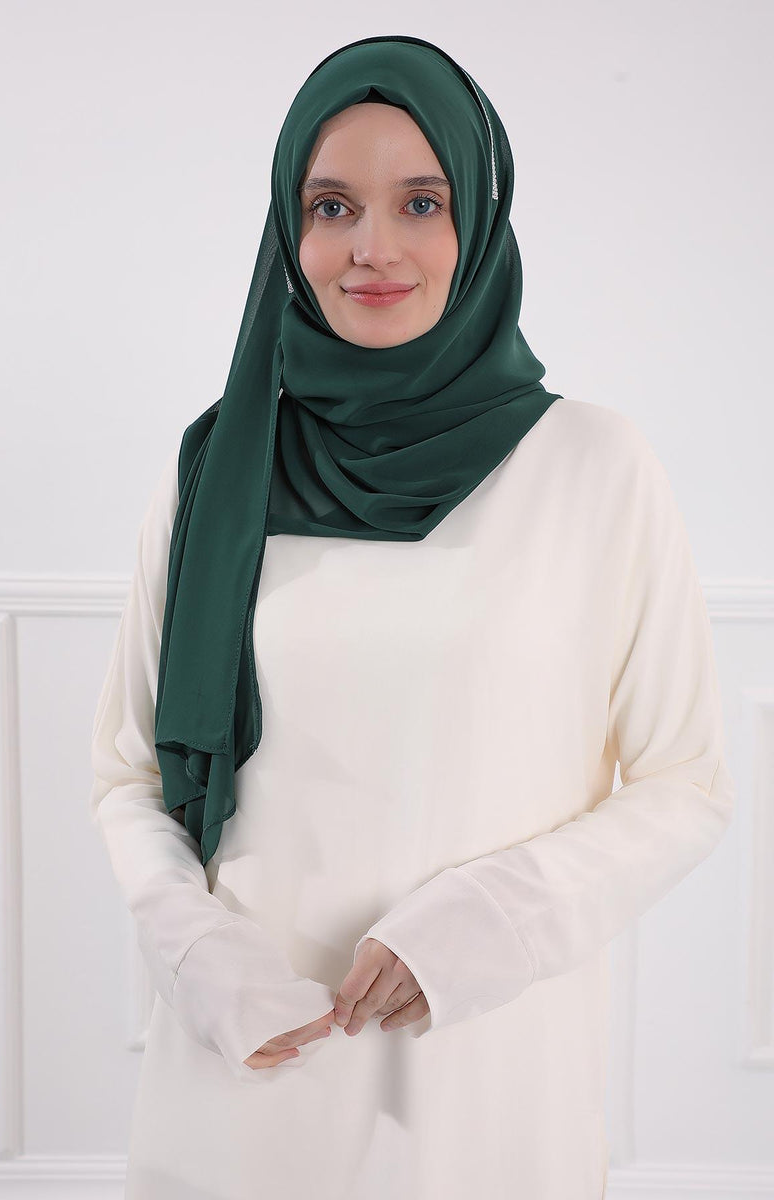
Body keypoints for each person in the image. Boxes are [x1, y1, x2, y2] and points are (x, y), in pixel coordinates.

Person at [89, 34, 735, 1200]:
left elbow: (681, 783)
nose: (371, 248)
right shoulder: (218, 468)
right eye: (331, 205)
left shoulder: (591, 467)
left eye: (420, 203)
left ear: (477, 219)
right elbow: (129, 774)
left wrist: (483, 925)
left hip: (481, 1081)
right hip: (245, 1074)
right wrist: (195, 951)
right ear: (287, 231)